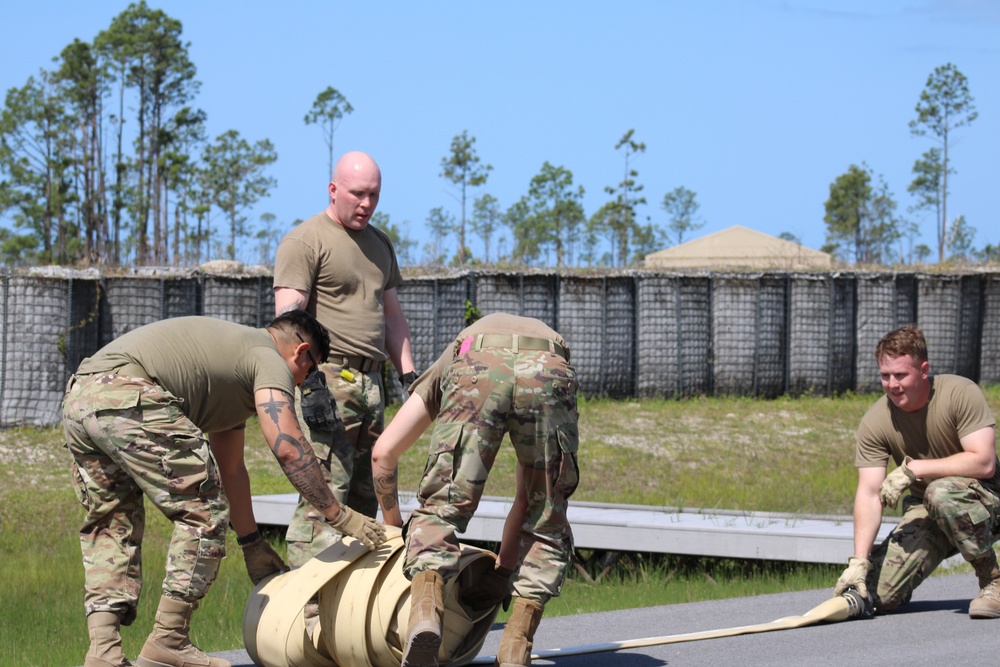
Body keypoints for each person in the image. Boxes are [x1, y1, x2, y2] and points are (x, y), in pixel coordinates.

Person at [63, 310, 386, 667]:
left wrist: (252, 544)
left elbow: (232, 470)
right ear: (301, 351)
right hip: (128, 392)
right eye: (308, 373)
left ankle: (103, 653)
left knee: (112, 523)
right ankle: (169, 640)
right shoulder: (267, 355)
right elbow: (288, 444)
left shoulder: (232, 378)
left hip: (82, 397)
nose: (299, 385)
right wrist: (339, 516)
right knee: (204, 509)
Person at [371, 312, 579, 667]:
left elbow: (382, 453)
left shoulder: (455, 354)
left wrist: (398, 528)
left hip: (477, 363)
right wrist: (503, 570)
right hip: (550, 366)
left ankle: (425, 616)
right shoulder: (550, 345)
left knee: (442, 505)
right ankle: (516, 647)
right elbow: (527, 498)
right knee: (546, 515)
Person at [273, 150, 417, 572]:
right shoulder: (306, 240)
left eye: (374, 195)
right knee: (324, 489)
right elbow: (287, 321)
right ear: (333, 190)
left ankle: (347, 605)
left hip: (374, 383)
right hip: (330, 378)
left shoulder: (379, 243)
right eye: (357, 194)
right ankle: (303, 603)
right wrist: (310, 383)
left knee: (365, 495)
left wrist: (410, 377)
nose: (366, 204)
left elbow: (391, 316)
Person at [833, 324, 1000, 618]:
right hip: (929, 508)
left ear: (923, 370)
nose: (892, 384)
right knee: (873, 595)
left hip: (987, 500)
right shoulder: (876, 421)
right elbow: (869, 493)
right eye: (885, 376)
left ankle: (993, 581)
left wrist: (916, 469)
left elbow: (984, 463)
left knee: (940, 493)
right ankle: (909, 568)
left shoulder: (960, 393)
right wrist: (859, 561)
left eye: (901, 375)